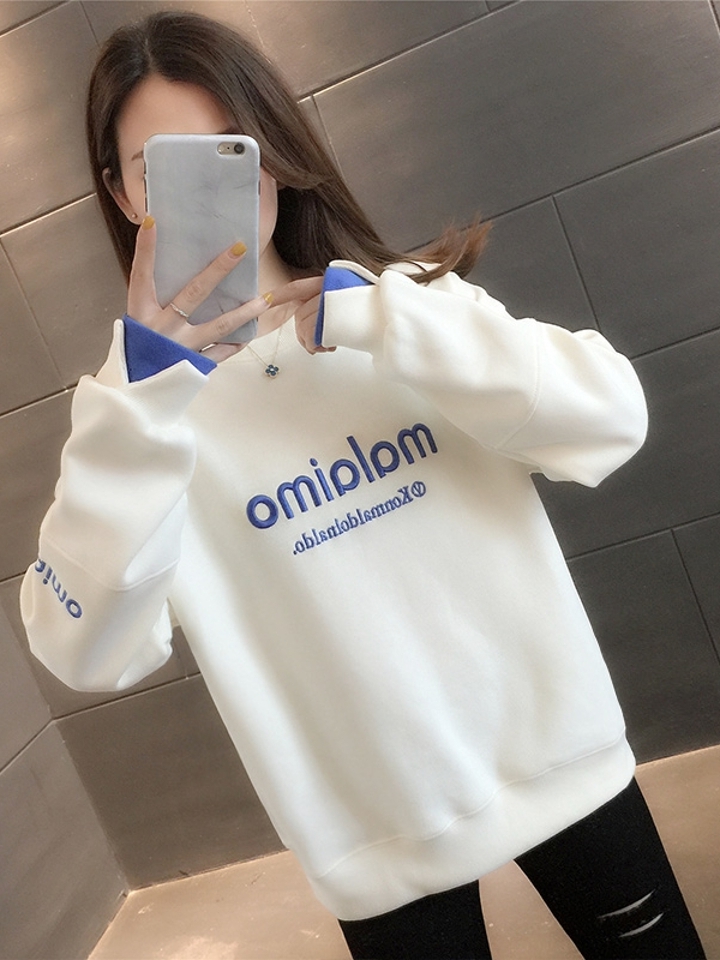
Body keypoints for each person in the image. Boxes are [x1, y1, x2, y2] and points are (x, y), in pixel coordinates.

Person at [21, 11, 705, 959]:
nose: (214, 187)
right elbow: (84, 651)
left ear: (275, 147)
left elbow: (611, 419)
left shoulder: (403, 309)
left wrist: (390, 321)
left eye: (231, 149)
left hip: (560, 759)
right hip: (372, 841)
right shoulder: (132, 419)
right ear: (120, 191)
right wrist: (144, 406)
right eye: (162, 167)